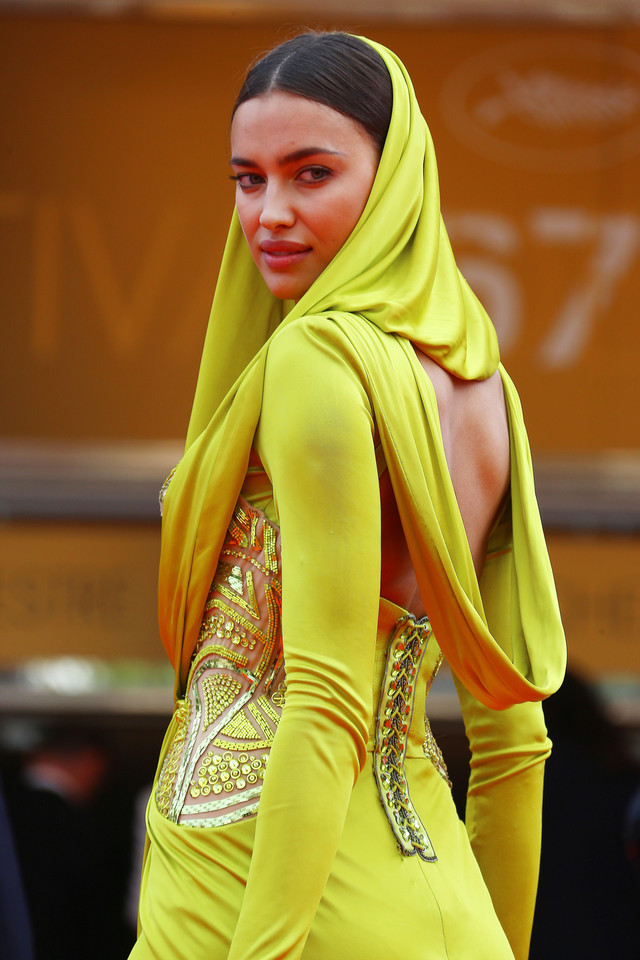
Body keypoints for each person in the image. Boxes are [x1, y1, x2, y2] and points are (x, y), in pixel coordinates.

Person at [129, 32, 566, 960]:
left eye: (311, 173)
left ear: (396, 175)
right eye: (248, 179)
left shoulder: (316, 358)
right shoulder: (488, 390)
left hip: (264, 898)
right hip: (439, 900)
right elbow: (516, 739)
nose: (270, 214)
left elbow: (323, 701)